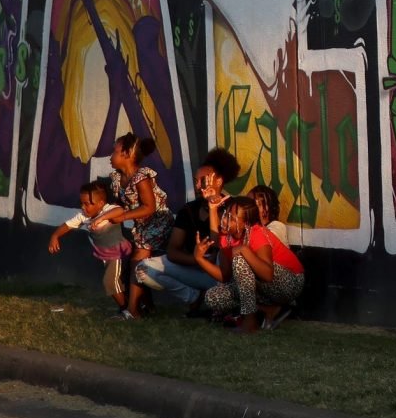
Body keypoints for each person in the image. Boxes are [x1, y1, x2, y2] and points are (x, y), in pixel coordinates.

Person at [136, 147, 239, 311]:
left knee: (222, 255)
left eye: (203, 180)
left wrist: (214, 207)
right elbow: (173, 251)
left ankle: (220, 303)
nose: (198, 186)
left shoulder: (234, 207)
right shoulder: (189, 210)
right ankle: (193, 297)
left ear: (218, 181)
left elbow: (223, 245)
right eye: (196, 180)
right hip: (195, 268)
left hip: (221, 274)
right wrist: (197, 259)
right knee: (143, 269)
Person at [200, 194, 304, 331]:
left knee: (240, 260)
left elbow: (268, 275)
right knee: (213, 297)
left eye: (231, 218)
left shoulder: (257, 233)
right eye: (225, 215)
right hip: (263, 289)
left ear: (246, 223)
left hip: (290, 282)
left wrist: (244, 249)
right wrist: (199, 259)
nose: (225, 220)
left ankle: (250, 322)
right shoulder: (226, 237)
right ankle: (268, 309)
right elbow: (224, 275)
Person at [102, 131, 172, 314]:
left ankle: (133, 311)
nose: (111, 156)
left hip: (157, 223)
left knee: (137, 261)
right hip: (141, 227)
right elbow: (120, 205)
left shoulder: (141, 177)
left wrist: (123, 217)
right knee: (137, 264)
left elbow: (149, 207)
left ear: (126, 154)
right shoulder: (117, 178)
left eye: (114, 152)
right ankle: (147, 307)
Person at [47, 179, 135, 317]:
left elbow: (119, 210)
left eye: (87, 204)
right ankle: (129, 308)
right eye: (82, 203)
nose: (83, 207)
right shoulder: (84, 216)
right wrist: (55, 236)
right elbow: (68, 225)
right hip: (106, 256)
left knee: (110, 282)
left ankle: (128, 311)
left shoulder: (108, 209)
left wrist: (101, 218)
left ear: (100, 203)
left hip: (119, 254)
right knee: (117, 283)